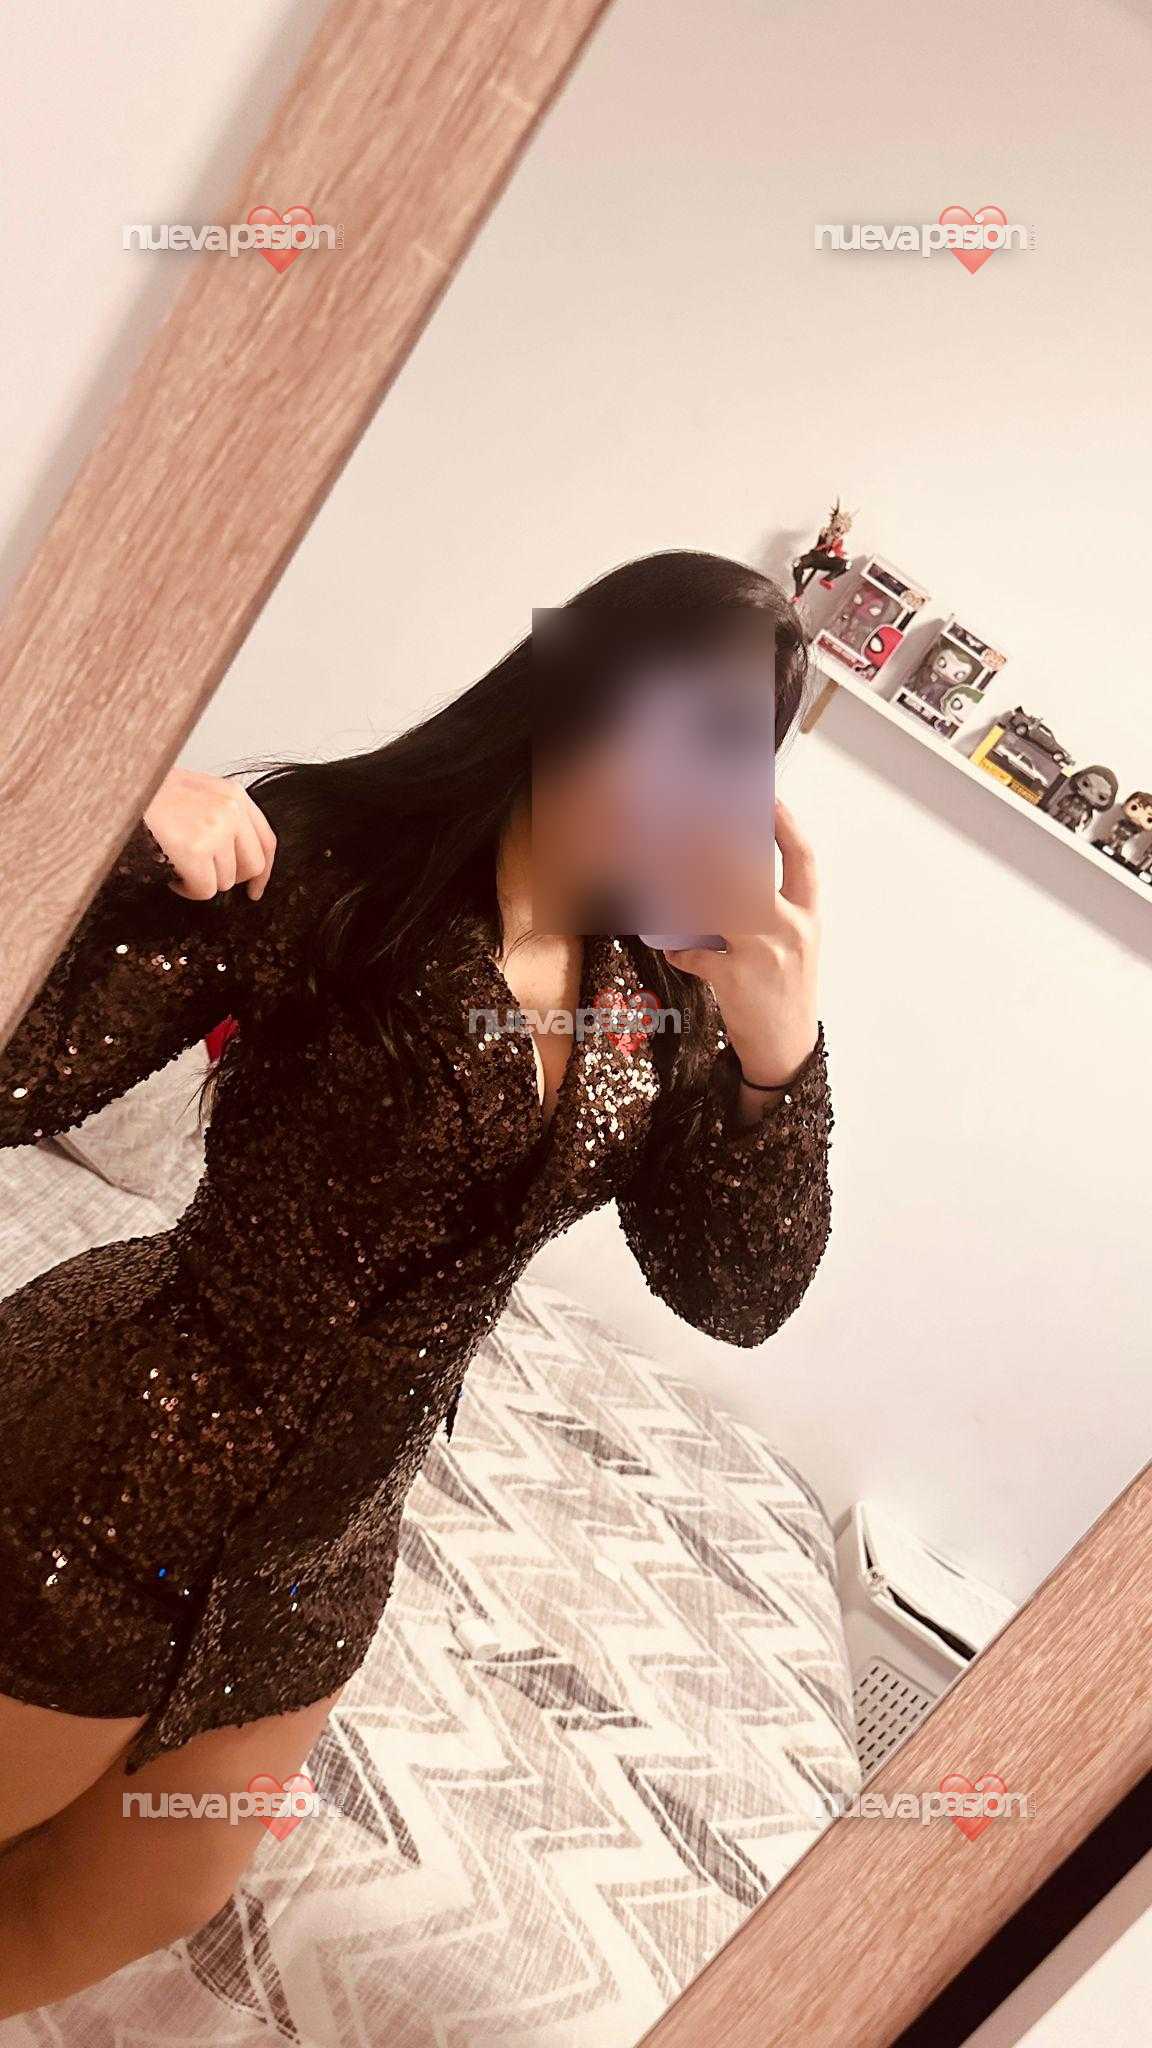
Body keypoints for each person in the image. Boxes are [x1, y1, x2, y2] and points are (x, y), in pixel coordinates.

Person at [0, 550, 829, 2014]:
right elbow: (23, 1075)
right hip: (117, 1464)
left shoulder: (664, 991)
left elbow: (734, 1292)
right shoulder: (337, 862)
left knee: (138, 1895)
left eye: (727, 753)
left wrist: (779, 1055)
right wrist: (96, 819)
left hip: (326, 1549)